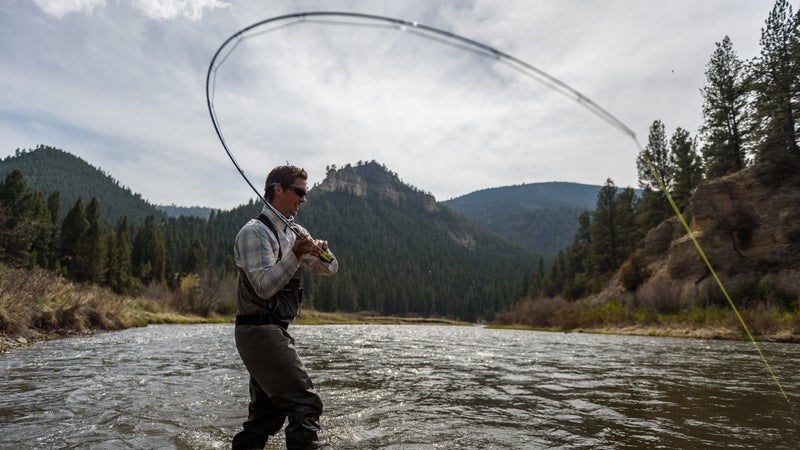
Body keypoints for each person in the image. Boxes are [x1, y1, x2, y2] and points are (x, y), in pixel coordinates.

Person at [231, 165, 338, 450]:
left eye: (306, 193)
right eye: (299, 192)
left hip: (275, 331)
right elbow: (264, 286)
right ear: (278, 189)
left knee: (267, 415)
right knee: (305, 402)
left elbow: (331, 269)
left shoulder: (296, 232)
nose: (304, 199)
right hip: (256, 330)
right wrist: (295, 254)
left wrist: (323, 253)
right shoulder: (253, 233)